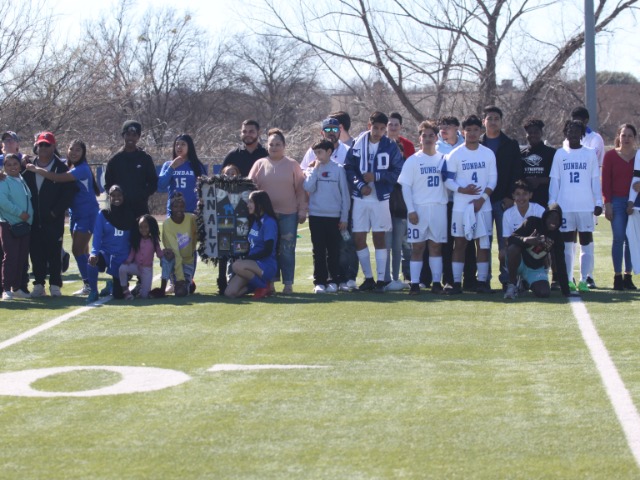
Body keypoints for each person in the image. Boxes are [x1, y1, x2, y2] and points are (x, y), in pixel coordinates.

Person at [26, 139, 100, 295]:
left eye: (78, 150)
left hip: (86, 213)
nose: (74, 152)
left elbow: (57, 178)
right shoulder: (69, 165)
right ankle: (90, 283)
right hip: (75, 213)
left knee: (77, 250)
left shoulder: (81, 169)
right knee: (83, 251)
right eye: (71, 149)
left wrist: (37, 169)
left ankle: (89, 284)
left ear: (83, 153)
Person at [344, 111, 403, 292]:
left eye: (382, 128)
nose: (378, 132)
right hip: (360, 197)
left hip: (380, 198)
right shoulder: (357, 143)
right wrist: (360, 185)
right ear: (369, 126)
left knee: (379, 237)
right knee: (358, 237)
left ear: (385, 129)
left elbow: (398, 171)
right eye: (375, 127)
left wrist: (376, 176)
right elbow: (349, 168)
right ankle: (368, 278)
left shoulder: (390, 146)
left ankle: (381, 280)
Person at [248, 128, 307, 294]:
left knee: (287, 250)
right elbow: (249, 188)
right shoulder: (259, 164)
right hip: (266, 216)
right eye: (271, 144)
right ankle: (270, 284)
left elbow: (300, 189)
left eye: (278, 144)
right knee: (270, 250)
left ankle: (288, 284)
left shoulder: (292, 164)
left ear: (284, 146)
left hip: (288, 213)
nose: (274, 147)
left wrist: (302, 210)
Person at [444, 114, 497, 295]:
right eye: (469, 130)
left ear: (481, 131)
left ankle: (482, 282)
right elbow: (448, 181)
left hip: (483, 206)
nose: (472, 133)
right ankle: (455, 283)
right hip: (461, 206)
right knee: (459, 243)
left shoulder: (488, 153)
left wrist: (482, 199)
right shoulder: (455, 154)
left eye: (476, 130)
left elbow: (493, 180)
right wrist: (462, 190)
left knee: (483, 244)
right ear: (463, 132)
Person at [549, 119, 603, 292]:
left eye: (576, 130)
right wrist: (552, 203)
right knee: (567, 244)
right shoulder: (560, 154)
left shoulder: (589, 154)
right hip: (565, 207)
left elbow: (595, 179)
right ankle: (569, 278)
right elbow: (555, 181)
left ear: (581, 134)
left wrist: (598, 201)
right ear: (565, 133)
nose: (573, 133)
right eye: (570, 130)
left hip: (585, 206)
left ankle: (584, 279)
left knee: (586, 242)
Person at [21, 132, 76, 297]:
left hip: (53, 219)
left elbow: (69, 193)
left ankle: (55, 284)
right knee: (35, 252)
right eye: (41, 144)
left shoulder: (61, 168)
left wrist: (55, 212)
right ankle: (38, 284)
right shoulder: (28, 167)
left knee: (54, 252)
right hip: (33, 218)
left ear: (53, 146)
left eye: (47, 144)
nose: (43, 148)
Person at [398, 121, 448, 295]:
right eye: (424, 135)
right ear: (419, 138)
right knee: (418, 247)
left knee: (436, 247)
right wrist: (411, 209)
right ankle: (414, 284)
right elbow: (405, 187)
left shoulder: (444, 159)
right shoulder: (413, 160)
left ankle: (436, 283)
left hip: (438, 207)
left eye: (431, 135)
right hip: (419, 209)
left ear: (436, 137)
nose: (427, 139)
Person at [480, 106, 522, 288]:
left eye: (496, 118)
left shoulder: (510, 144)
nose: (493, 122)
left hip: (503, 201)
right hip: (482, 201)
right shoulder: (477, 143)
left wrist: (510, 196)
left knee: (506, 242)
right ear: (484, 121)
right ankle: (484, 278)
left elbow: (516, 172)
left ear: (501, 121)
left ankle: (507, 279)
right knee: (484, 242)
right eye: (489, 118)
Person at [303, 139, 350, 293]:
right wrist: (315, 170)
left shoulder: (338, 169)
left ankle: (333, 280)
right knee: (318, 251)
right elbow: (308, 187)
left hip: (334, 217)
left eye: (320, 152)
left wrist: (344, 217)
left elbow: (345, 195)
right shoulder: (312, 169)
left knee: (333, 250)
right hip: (316, 216)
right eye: (315, 153)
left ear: (329, 152)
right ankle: (320, 282)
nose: (317, 156)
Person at [504, 204, 572, 299]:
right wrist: (526, 240)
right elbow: (511, 239)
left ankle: (524, 283)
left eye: (557, 218)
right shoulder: (531, 222)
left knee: (544, 293)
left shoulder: (557, 237)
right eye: (551, 217)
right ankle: (512, 284)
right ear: (545, 217)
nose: (553, 221)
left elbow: (560, 263)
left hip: (535, 268)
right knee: (513, 249)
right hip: (520, 262)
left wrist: (566, 290)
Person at [569, 106, 605, 289]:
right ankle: (569, 276)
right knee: (570, 238)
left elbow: (591, 163)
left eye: (579, 121)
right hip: (570, 197)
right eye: (573, 120)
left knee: (586, 237)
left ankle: (588, 276)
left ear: (586, 121)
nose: (576, 124)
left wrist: (598, 200)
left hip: (588, 195)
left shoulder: (595, 139)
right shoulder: (567, 139)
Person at [602, 123, 638, 290]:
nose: (626, 139)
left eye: (630, 135)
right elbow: (605, 183)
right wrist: (607, 203)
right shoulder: (610, 156)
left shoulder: (639, 156)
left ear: (635, 138)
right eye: (623, 135)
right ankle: (617, 277)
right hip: (616, 201)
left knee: (631, 239)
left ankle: (628, 276)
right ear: (618, 136)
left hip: (635, 203)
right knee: (618, 238)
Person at [224, 190, 278, 299]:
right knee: (230, 293)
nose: (248, 205)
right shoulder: (256, 220)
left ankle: (263, 286)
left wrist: (246, 259)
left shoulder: (269, 222)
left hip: (266, 265)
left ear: (260, 204)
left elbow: (268, 250)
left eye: (251, 202)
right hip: (252, 266)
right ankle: (256, 285)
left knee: (236, 265)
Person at [87, 185, 135, 303]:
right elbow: (97, 236)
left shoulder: (130, 214)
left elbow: (134, 239)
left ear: (123, 196)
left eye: (119, 195)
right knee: (91, 261)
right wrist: (94, 253)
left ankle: (111, 286)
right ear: (109, 197)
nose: (116, 198)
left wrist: (131, 259)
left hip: (123, 256)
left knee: (119, 295)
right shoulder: (103, 214)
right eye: (113, 195)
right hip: (106, 253)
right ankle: (93, 291)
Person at [104, 120, 158, 219]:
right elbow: (108, 185)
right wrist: (116, 197)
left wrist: (142, 195)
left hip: (140, 209)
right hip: (120, 210)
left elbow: (153, 183)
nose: (131, 138)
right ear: (123, 135)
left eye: (134, 135)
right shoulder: (114, 160)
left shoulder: (145, 158)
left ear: (138, 137)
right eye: (128, 134)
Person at [0, 154, 33, 300]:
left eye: (15, 164)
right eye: (8, 165)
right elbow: (3, 201)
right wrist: (19, 213)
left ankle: (17, 287)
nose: (12, 167)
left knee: (22, 258)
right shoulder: (3, 181)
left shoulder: (21, 179)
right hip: (9, 224)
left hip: (24, 225)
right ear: (4, 167)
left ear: (20, 165)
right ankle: (6, 288)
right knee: (10, 257)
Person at [158, 134, 207, 215]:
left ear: (189, 147)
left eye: (183, 144)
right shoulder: (168, 165)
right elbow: (161, 185)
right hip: (173, 214)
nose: (179, 147)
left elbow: (205, 189)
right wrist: (172, 167)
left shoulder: (197, 166)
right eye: (177, 144)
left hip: (193, 213)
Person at [119, 215, 164, 300]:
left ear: (151, 227)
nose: (143, 229)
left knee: (144, 296)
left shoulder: (154, 240)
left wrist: (163, 257)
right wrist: (128, 261)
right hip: (136, 266)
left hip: (147, 269)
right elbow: (132, 252)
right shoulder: (136, 239)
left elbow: (159, 253)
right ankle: (126, 291)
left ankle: (139, 289)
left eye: (146, 227)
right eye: (141, 227)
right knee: (122, 268)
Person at [162, 193, 198, 297]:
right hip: (174, 260)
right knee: (166, 256)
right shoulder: (167, 224)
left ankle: (189, 282)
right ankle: (166, 286)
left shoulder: (191, 219)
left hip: (188, 260)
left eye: (181, 206)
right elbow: (175, 252)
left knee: (182, 292)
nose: (179, 209)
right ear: (171, 207)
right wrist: (180, 279)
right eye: (175, 206)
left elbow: (200, 233)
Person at [520, 119, 555, 208]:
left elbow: (556, 178)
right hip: (525, 201)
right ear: (526, 134)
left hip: (545, 199)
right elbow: (517, 176)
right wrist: (525, 181)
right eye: (530, 132)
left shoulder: (551, 153)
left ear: (541, 133)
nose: (533, 135)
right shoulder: (521, 154)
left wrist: (539, 180)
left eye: (536, 132)